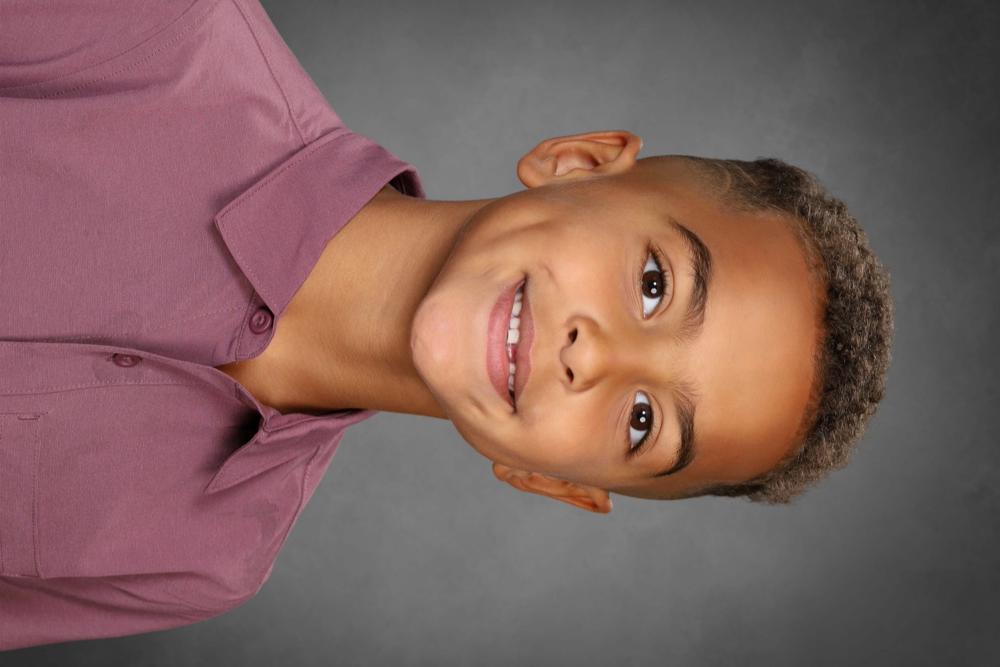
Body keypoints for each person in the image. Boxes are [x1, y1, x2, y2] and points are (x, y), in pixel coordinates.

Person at [0, 0, 893, 651]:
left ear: (554, 481)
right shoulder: (161, 32)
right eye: (654, 284)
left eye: (641, 421)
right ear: (579, 162)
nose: (595, 355)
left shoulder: (202, 563)